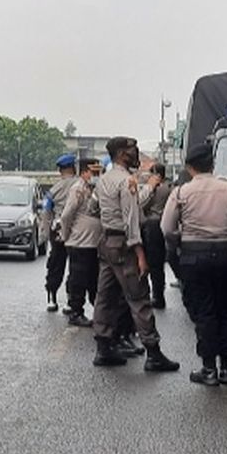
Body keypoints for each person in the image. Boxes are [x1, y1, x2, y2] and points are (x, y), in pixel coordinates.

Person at [90, 136, 179, 373]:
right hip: (124, 244)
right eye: (132, 150)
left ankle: (103, 347)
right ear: (121, 154)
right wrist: (140, 253)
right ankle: (153, 352)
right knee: (139, 297)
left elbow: (93, 208)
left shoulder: (103, 180)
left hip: (106, 241)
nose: (137, 153)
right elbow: (131, 221)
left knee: (105, 296)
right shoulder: (127, 181)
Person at [161, 142, 227, 386]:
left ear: (189, 167)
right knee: (226, 310)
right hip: (225, 254)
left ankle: (208, 369)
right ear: (213, 164)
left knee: (204, 311)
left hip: (193, 255)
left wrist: (182, 238)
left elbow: (166, 228)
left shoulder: (181, 192)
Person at [59, 158, 101, 327]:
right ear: (84, 172)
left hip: (93, 242)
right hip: (79, 242)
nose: (97, 175)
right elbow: (66, 215)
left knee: (93, 278)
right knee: (79, 278)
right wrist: (66, 234)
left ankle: (98, 311)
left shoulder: (96, 189)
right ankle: (76, 311)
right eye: (94, 172)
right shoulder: (78, 188)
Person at [44, 154, 79, 312]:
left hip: (57, 229)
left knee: (56, 264)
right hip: (76, 229)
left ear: (60, 170)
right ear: (73, 167)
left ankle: (52, 298)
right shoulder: (81, 185)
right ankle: (70, 300)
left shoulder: (53, 189)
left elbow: (46, 212)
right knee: (76, 265)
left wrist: (46, 234)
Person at [139, 163, 172, 308]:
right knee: (157, 265)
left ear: (156, 174)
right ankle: (159, 295)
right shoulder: (170, 188)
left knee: (148, 262)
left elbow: (141, 205)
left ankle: (149, 295)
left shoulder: (154, 188)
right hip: (162, 226)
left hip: (150, 226)